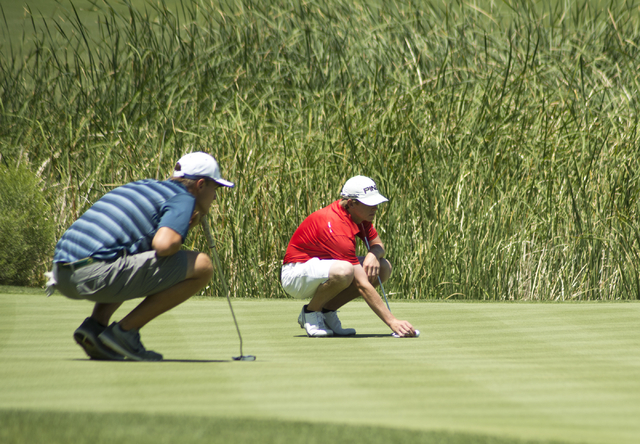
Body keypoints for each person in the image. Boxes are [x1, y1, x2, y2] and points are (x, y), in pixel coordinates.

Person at [46, 152, 234, 361]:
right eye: (215, 188)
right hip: (91, 274)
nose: (215, 196)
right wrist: (180, 232)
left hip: (61, 274)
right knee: (203, 265)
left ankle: (96, 327)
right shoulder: (184, 198)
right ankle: (125, 333)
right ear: (200, 185)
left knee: (134, 252)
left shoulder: (146, 186)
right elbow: (163, 246)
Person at [280, 175, 417, 338]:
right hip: (296, 275)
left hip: (323, 268)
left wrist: (373, 254)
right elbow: (361, 284)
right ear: (352, 203)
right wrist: (392, 321)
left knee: (383, 267)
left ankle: (327, 311)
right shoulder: (336, 225)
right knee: (345, 271)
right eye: (370, 203)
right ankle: (310, 312)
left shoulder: (360, 216)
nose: (376, 208)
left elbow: (379, 246)